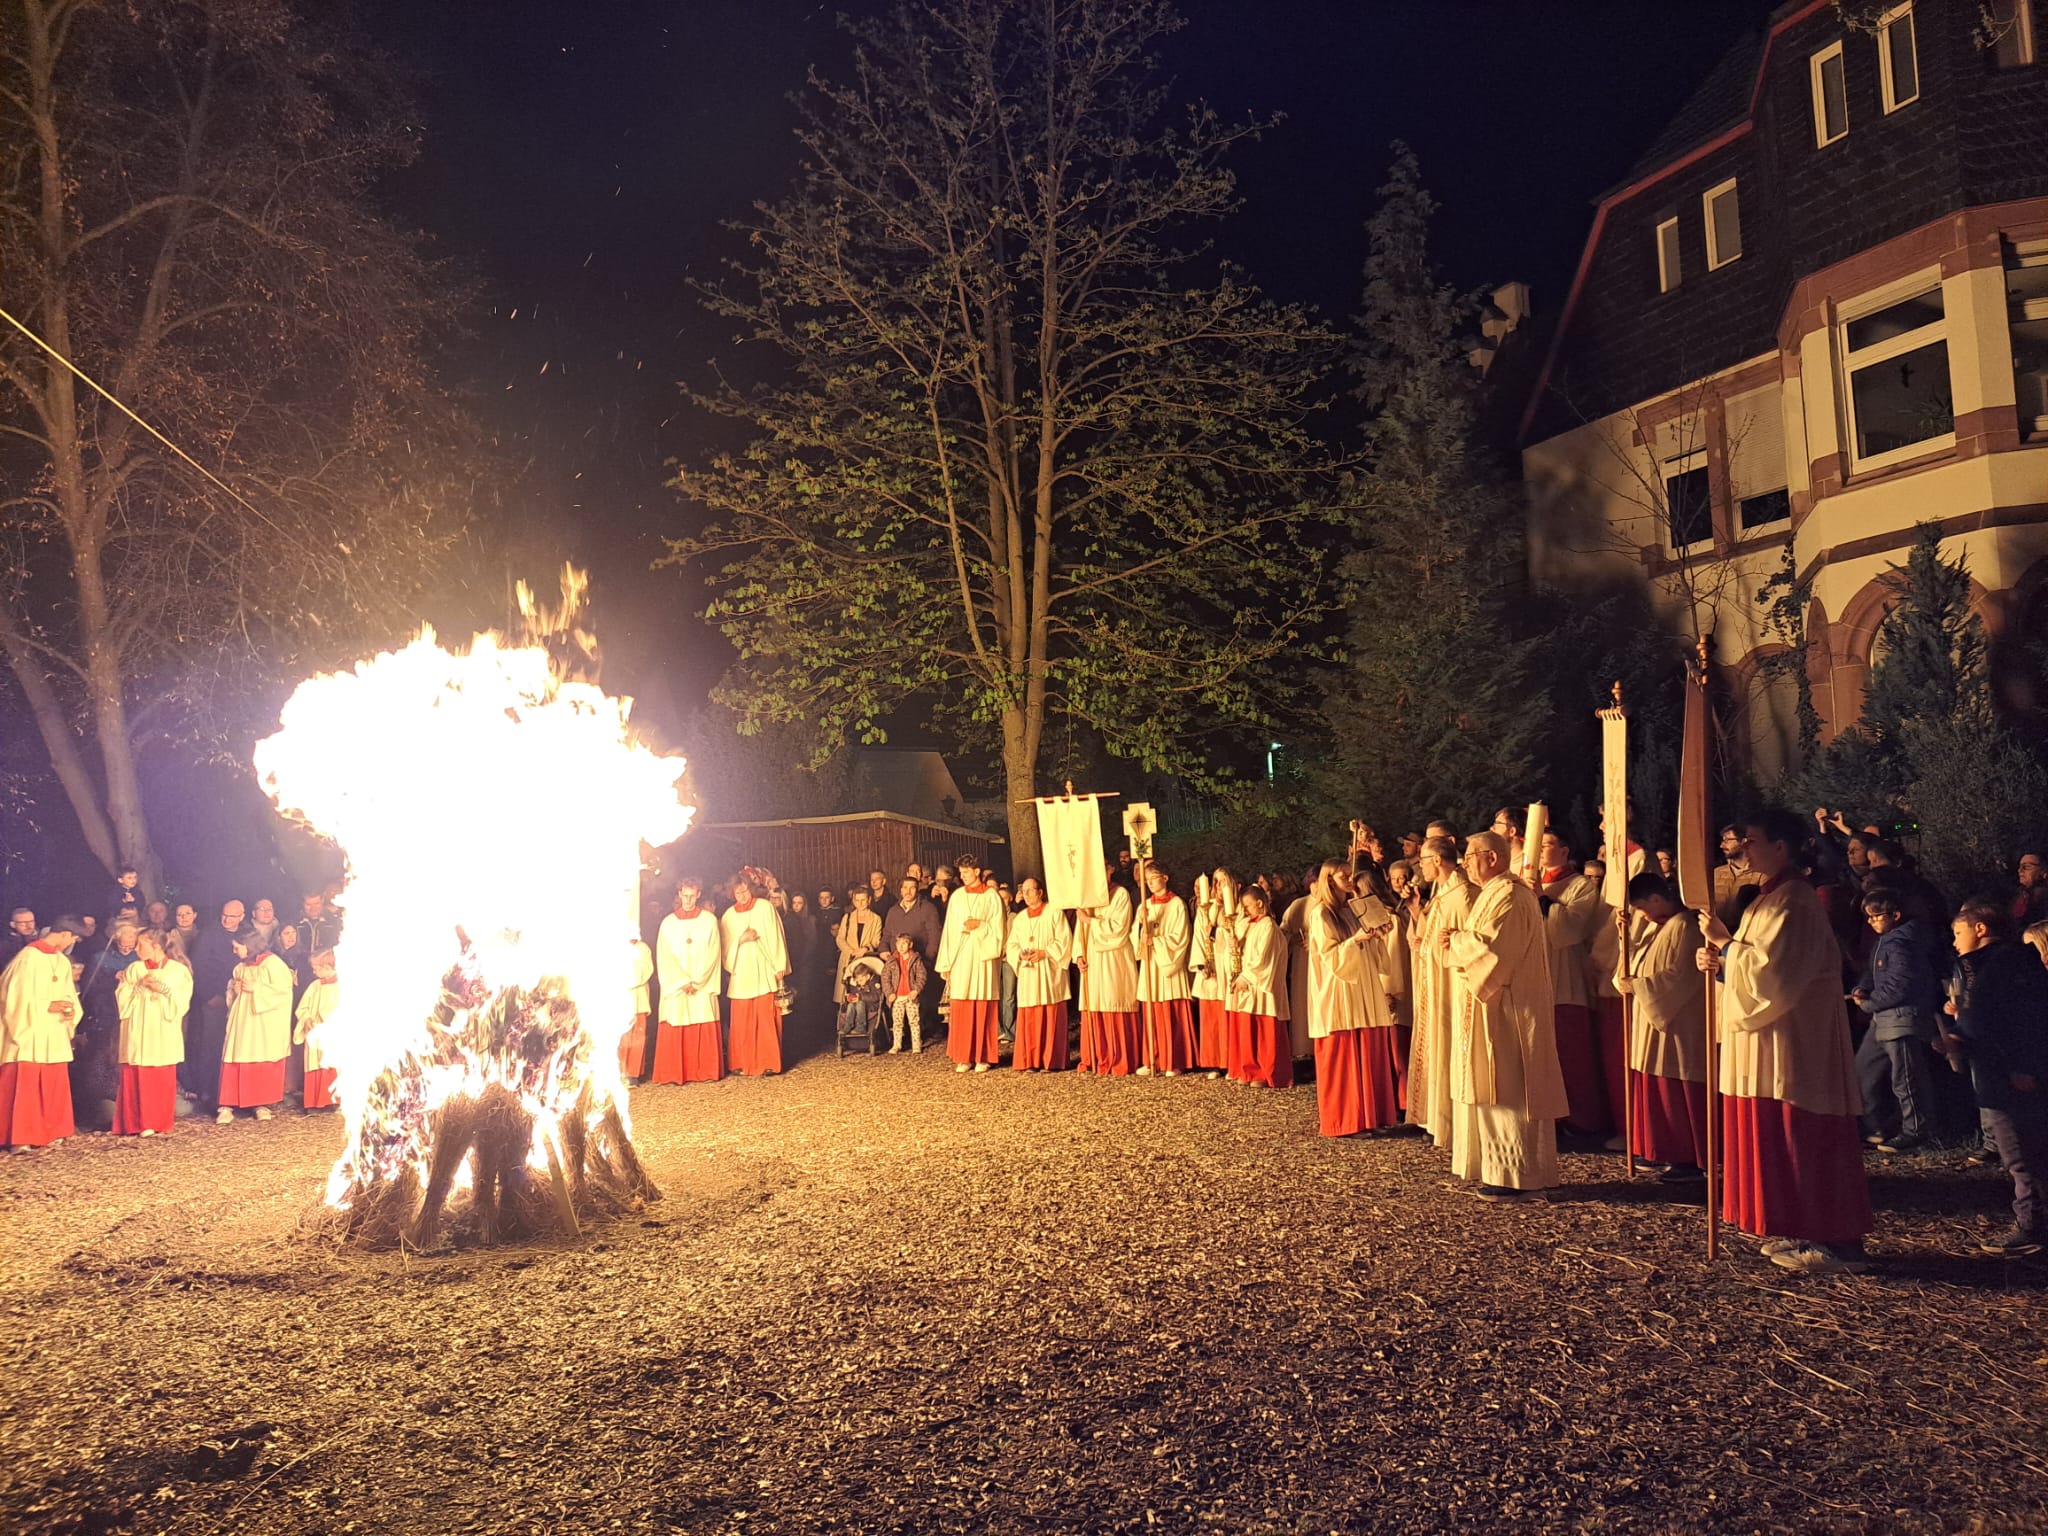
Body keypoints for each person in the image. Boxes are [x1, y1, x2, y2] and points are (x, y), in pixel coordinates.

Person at [1698, 810, 1873, 1275]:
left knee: (1806, 1134)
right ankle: (1808, 1227)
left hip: (1795, 1043)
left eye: (1749, 840)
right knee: (1787, 1134)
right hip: (1775, 1037)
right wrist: (1720, 959)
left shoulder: (1794, 900)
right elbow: (1753, 964)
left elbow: (1772, 975)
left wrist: (1729, 948)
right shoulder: (1767, 899)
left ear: (1781, 847)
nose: (1739, 850)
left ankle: (1837, 1240)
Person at [1442, 833, 1569, 1199]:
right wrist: (1461, 939)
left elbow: (1495, 953)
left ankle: (1518, 1175)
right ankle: (1504, 1171)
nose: (1465, 862)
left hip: (1511, 1010)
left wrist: (1456, 942)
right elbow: (1480, 941)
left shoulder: (1511, 896)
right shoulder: (1494, 893)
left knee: (1510, 1086)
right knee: (1496, 1086)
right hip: (1494, 1007)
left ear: (1493, 858)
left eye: (1470, 856)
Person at [1944, 898, 2048, 1254]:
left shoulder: (2007, 964)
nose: (1954, 941)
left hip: (2009, 1074)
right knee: (2017, 1150)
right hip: (1995, 1071)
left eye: (1958, 933)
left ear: (1980, 929)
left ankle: (2033, 1228)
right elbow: (1986, 1015)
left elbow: (2023, 1019)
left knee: (2022, 1151)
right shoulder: (1983, 967)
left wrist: (2024, 1066)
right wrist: (1960, 1031)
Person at [1615, 874, 1707, 1179]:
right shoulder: (1661, 927)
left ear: (1656, 898)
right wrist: (1624, 935)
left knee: (1674, 1086)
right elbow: (1637, 964)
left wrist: (1640, 987)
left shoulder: (1685, 926)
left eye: (1642, 907)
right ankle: (1661, 1148)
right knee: (1655, 1080)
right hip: (1653, 1020)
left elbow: (1679, 975)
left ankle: (1686, 1156)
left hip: (1676, 1022)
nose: (1642, 914)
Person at [1305, 858, 1402, 1136]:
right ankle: (1346, 1119)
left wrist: (1375, 936)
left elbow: (1368, 949)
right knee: (1346, 1053)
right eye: (1342, 876)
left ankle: (1372, 1116)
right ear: (1328, 880)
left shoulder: (1352, 909)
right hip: (1340, 990)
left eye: (1350, 875)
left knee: (1369, 1048)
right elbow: (1328, 956)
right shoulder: (1321, 913)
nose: (1349, 879)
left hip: (1362, 985)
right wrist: (1356, 941)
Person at [1850, 891, 1941, 1154]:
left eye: (1874, 916)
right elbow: (1875, 973)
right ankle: (1874, 1126)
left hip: (1902, 1019)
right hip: (1883, 1019)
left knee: (1906, 1078)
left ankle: (1916, 1131)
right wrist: (1862, 987)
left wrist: (1868, 1002)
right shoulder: (1886, 941)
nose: (1869, 922)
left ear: (1895, 915)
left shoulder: (1903, 943)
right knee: (1863, 1069)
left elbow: (1899, 985)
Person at [1536, 830, 1608, 1138]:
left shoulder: (1579, 886)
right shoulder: (1527, 882)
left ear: (1564, 851)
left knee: (1572, 1051)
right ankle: (1549, 1117)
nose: (1540, 850)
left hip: (1566, 977)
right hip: (1536, 976)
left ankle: (1581, 1120)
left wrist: (1541, 900)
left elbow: (1569, 931)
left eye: (1547, 844)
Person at [1405, 836, 1471, 1150]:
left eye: (1423, 860)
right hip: (1433, 982)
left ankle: (1450, 1121)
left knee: (1447, 1045)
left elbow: (1462, 939)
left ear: (1438, 860)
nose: (1419, 867)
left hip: (1450, 986)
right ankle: (1435, 1118)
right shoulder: (1441, 893)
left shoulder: (1463, 895)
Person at [0, 916, 86, 1150]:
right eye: (73, 937)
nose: (72, 942)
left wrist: (69, 1008)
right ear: (64, 934)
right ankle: (21, 1136)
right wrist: (46, 1006)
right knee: (25, 1083)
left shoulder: (61, 961)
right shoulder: (28, 958)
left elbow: (68, 992)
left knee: (52, 1080)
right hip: (30, 1029)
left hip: (53, 1029)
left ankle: (49, 1131)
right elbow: (14, 996)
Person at [935, 853, 1005, 1072]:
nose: (963, 876)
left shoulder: (991, 896)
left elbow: (999, 928)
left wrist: (981, 925)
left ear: (977, 871)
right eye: (961, 873)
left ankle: (983, 1056)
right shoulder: (957, 896)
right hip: (962, 955)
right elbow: (949, 930)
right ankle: (964, 1056)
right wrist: (946, 963)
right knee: (962, 1004)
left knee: (981, 1001)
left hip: (982, 956)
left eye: (967, 872)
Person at [218, 927, 293, 1123]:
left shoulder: (274, 965)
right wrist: (234, 990)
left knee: (261, 1056)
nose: (235, 951)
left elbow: (283, 993)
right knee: (236, 1053)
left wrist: (257, 988)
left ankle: (261, 1103)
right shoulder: (240, 967)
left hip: (263, 1024)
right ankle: (228, 1104)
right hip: (242, 1021)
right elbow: (232, 992)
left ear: (249, 946)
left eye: (237, 947)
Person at [655, 880, 724, 1083]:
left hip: (701, 984)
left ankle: (705, 1071)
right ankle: (676, 1073)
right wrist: (681, 981)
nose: (688, 900)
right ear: (679, 894)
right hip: (678, 986)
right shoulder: (667, 923)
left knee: (702, 1015)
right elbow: (664, 956)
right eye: (684, 895)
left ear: (699, 894)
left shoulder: (709, 920)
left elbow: (714, 952)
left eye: (692, 896)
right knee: (677, 1018)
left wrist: (698, 981)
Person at [722, 871, 790, 1076]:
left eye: (744, 891)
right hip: (741, 973)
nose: (742, 896)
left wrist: (780, 967)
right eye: (737, 893)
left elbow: (777, 936)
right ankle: (741, 1063)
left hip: (763, 969)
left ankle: (769, 1063)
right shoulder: (728, 916)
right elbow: (725, 949)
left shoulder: (765, 908)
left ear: (750, 889)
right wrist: (741, 940)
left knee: (765, 1018)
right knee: (742, 1020)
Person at [1076, 863, 1141, 1076]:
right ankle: (1095, 1056)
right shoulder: (1088, 898)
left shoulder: (1120, 894)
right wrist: (1079, 955)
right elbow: (1080, 931)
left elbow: (1119, 930)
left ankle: (1119, 1058)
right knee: (1094, 1001)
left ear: (1109, 870)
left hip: (1114, 959)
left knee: (1113, 998)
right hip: (1093, 960)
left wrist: (1090, 921)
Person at [1134, 862, 1196, 1077]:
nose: (1150, 883)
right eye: (1147, 880)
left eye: (1154, 878)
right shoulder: (1144, 905)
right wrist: (1142, 929)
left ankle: (1174, 1061)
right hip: (1151, 964)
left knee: (1170, 1011)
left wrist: (1157, 941)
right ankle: (1152, 1058)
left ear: (1166, 877)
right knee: (1152, 1011)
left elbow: (1181, 937)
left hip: (1167, 964)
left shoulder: (1177, 903)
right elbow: (1136, 939)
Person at [1226, 884, 1291, 1089]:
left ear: (1260, 903)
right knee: (1247, 1028)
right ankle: (1249, 1068)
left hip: (1261, 987)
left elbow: (1264, 959)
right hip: (1248, 984)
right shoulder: (1250, 925)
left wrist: (1246, 977)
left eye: (1247, 906)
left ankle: (1266, 1071)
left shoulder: (1268, 926)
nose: (1244, 910)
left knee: (1263, 1029)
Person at [1006, 877, 1072, 1071]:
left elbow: (1064, 940)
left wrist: (1045, 953)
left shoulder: (1054, 912)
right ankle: (1031, 1060)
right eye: (1023, 891)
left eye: (1030, 890)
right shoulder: (1020, 918)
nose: (1026, 895)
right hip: (1029, 973)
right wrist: (1020, 954)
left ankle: (1051, 1060)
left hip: (1049, 971)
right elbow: (1011, 945)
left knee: (1050, 1014)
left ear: (1040, 892)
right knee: (1030, 1017)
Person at [187, 900, 244, 1113]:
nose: (227, 920)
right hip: (214, 999)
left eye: (232, 916)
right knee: (211, 1045)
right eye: (224, 915)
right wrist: (209, 995)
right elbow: (197, 967)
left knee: (233, 1046)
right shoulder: (208, 935)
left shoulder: (246, 934)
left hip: (239, 1001)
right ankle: (208, 1093)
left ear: (241, 916)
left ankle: (231, 1093)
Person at [1191, 871, 1238, 1080]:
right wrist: (1202, 963)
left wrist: (1216, 931)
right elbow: (1200, 934)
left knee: (1227, 1014)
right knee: (1211, 1018)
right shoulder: (1206, 908)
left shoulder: (1236, 907)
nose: (1218, 885)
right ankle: (1213, 1061)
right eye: (1215, 881)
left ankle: (1231, 1060)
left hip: (1227, 963)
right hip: (1212, 967)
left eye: (1222, 880)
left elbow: (1234, 933)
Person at [294, 950, 340, 1111]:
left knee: (333, 1064)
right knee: (315, 1064)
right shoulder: (314, 986)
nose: (314, 972)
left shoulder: (342, 985)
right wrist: (306, 1019)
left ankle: (332, 1100)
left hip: (333, 1033)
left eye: (316, 968)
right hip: (315, 1032)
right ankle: (314, 1101)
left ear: (327, 966)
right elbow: (303, 1007)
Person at [833, 889, 883, 1017]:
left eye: (863, 900)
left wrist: (866, 948)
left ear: (869, 900)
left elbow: (876, 940)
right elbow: (840, 939)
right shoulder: (848, 917)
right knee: (845, 994)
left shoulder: (876, 919)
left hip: (866, 960)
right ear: (853, 901)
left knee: (865, 994)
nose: (860, 903)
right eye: (857, 900)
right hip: (848, 958)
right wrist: (852, 952)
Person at [1713, 825, 1764, 932]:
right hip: (1712, 936)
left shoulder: (1761, 875)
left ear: (1743, 842)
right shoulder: (1717, 873)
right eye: (1723, 840)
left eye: (1728, 840)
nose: (1722, 845)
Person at [884, 933, 927, 1053]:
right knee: (897, 1022)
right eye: (898, 944)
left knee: (914, 1021)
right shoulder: (892, 960)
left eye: (904, 943)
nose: (901, 946)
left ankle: (916, 1044)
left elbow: (921, 976)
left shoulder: (916, 959)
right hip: (897, 997)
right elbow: (885, 978)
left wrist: (916, 990)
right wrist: (889, 993)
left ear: (910, 945)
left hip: (911, 996)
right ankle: (897, 1044)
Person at [882, 876, 941, 963]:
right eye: (905, 888)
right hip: (896, 962)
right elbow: (886, 935)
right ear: (901, 890)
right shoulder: (893, 911)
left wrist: (927, 960)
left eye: (912, 888)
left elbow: (934, 937)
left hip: (918, 962)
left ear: (917, 890)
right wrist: (883, 950)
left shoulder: (928, 908)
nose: (908, 891)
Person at [622, 935, 654, 1081]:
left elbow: (646, 971)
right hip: (620, 997)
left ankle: (633, 1073)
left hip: (639, 997)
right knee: (622, 1037)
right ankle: (619, 1071)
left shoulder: (643, 948)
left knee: (637, 1036)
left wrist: (629, 981)